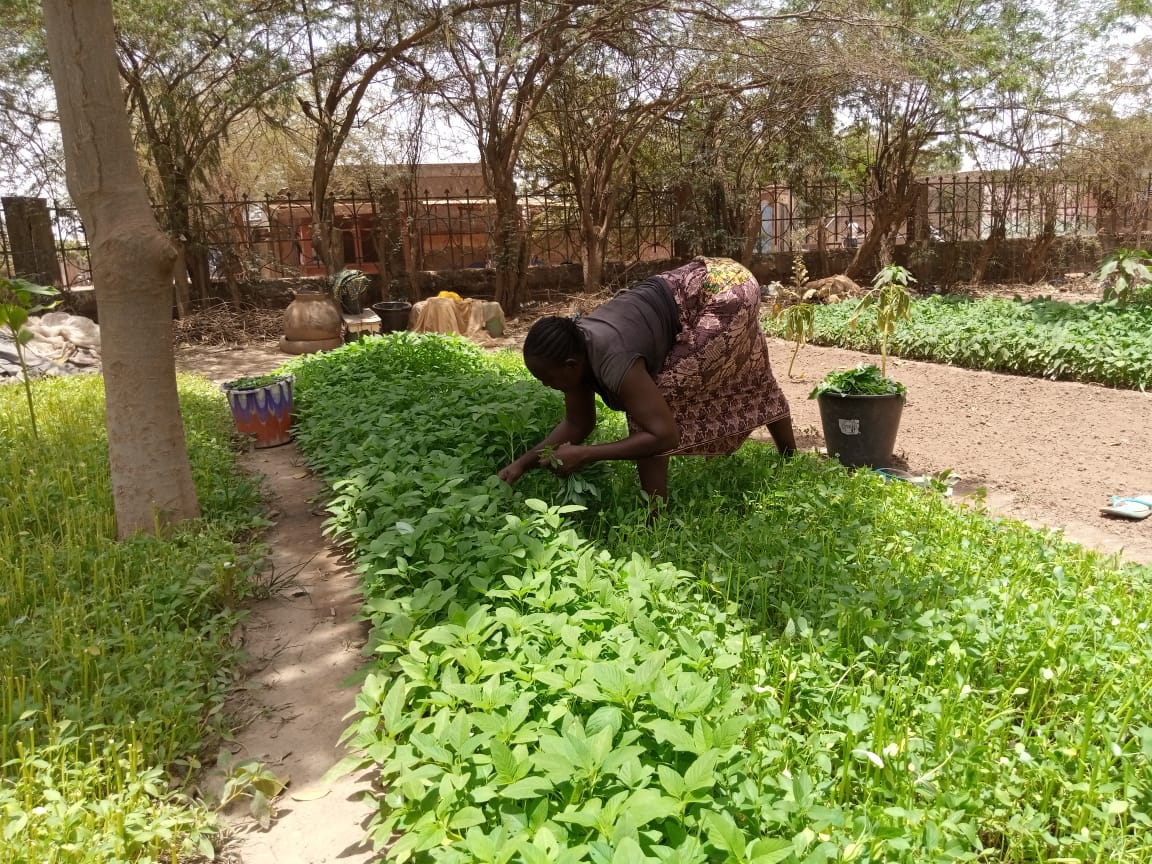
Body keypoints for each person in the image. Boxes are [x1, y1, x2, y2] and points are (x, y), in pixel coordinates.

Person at [498, 256, 796, 501]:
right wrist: (522, 465)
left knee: (655, 403)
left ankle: (655, 515)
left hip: (727, 291)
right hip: (711, 279)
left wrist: (588, 454)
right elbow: (578, 423)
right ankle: (790, 458)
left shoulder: (613, 360)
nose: (545, 385)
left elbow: (663, 434)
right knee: (751, 367)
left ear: (570, 365)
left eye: (547, 379)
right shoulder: (574, 348)